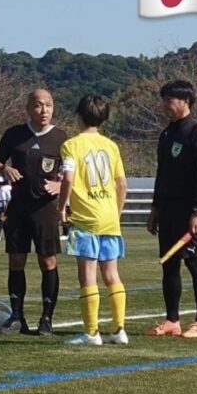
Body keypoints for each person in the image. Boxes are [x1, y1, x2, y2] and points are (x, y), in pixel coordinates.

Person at [0, 88, 68, 336]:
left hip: (45, 209)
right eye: (38, 105)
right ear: (28, 108)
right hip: (18, 207)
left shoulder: (61, 138)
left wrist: (60, 186)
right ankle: (17, 317)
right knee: (16, 260)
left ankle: (46, 319)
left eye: (48, 105)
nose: (44, 110)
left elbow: (73, 173)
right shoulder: (14, 134)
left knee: (47, 261)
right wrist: (4, 169)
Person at [57, 94, 129, 346]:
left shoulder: (71, 145)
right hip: (110, 218)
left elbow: (68, 178)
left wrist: (61, 207)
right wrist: (116, 213)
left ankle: (91, 333)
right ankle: (119, 330)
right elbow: (122, 184)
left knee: (88, 275)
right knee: (112, 274)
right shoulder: (111, 146)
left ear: (78, 116)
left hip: (86, 217)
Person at [145, 79, 197, 339]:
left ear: (185, 101)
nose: (165, 104)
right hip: (168, 210)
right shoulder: (166, 134)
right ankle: (172, 320)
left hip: (189, 211)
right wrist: (155, 208)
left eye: (169, 100)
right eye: (163, 99)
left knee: (194, 263)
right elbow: (162, 174)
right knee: (169, 264)